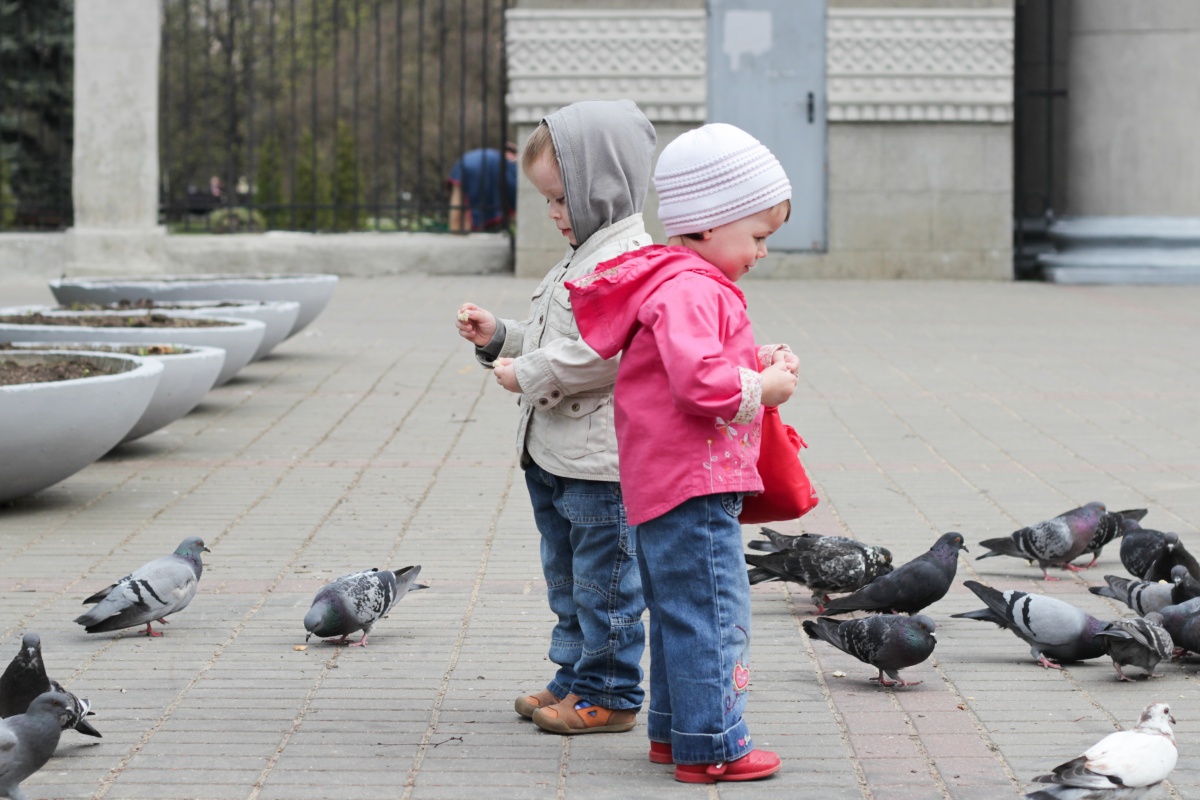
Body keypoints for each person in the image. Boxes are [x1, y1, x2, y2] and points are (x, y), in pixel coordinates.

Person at [566, 123, 799, 783]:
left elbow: (686, 363)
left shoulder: (671, 281)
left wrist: (753, 357)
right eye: (758, 235)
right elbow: (699, 384)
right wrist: (763, 388)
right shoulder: (696, 288)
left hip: (663, 481)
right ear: (710, 221)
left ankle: (677, 733)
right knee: (716, 616)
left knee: (680, 614)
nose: (762, 252)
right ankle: (715, 746)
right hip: (696, 483)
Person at [454, 100, 655, 735]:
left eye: (561, 199)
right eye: (548, 200)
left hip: (600, 465)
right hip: (555, 455)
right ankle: (574, 675)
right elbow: (555, 338)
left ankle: (611, 693)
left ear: (603, 186)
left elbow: (607, 353)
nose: (553, 213)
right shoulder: (582, 255)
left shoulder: (628, 262)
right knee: (567, 579)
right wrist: (501, 337)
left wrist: (530, 372)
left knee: (605, 586)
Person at [447, 144, 518, 232]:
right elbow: (515, 197)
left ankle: (455, 231)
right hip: (482, 168)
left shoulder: (495, 155)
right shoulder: (512, 165)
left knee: (459, 201)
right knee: (473, 209)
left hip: (463, 163)